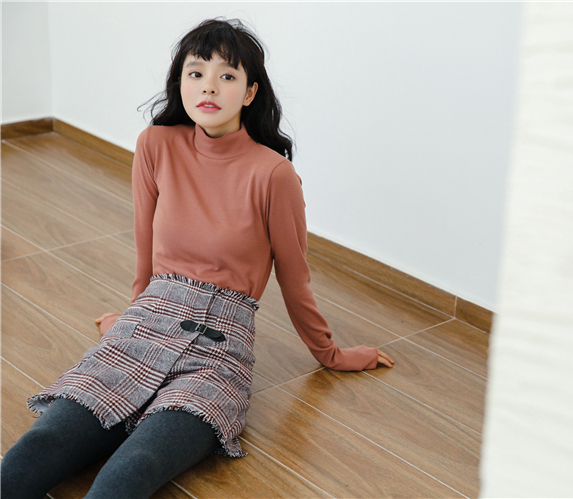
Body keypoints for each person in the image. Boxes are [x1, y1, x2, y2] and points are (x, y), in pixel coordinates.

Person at [1, 18, 395, 499]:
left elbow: (296, 279)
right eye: (196, 73)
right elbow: (145, 250)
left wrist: (331, 354)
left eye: (227, 75)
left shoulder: (274, 175)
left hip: (220, 348)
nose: (209, 86)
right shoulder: (155, 145)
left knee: (134, 468)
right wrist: (132, 317)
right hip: (147, 320)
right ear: (180, 82)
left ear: (250, 92)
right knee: (39, 446)